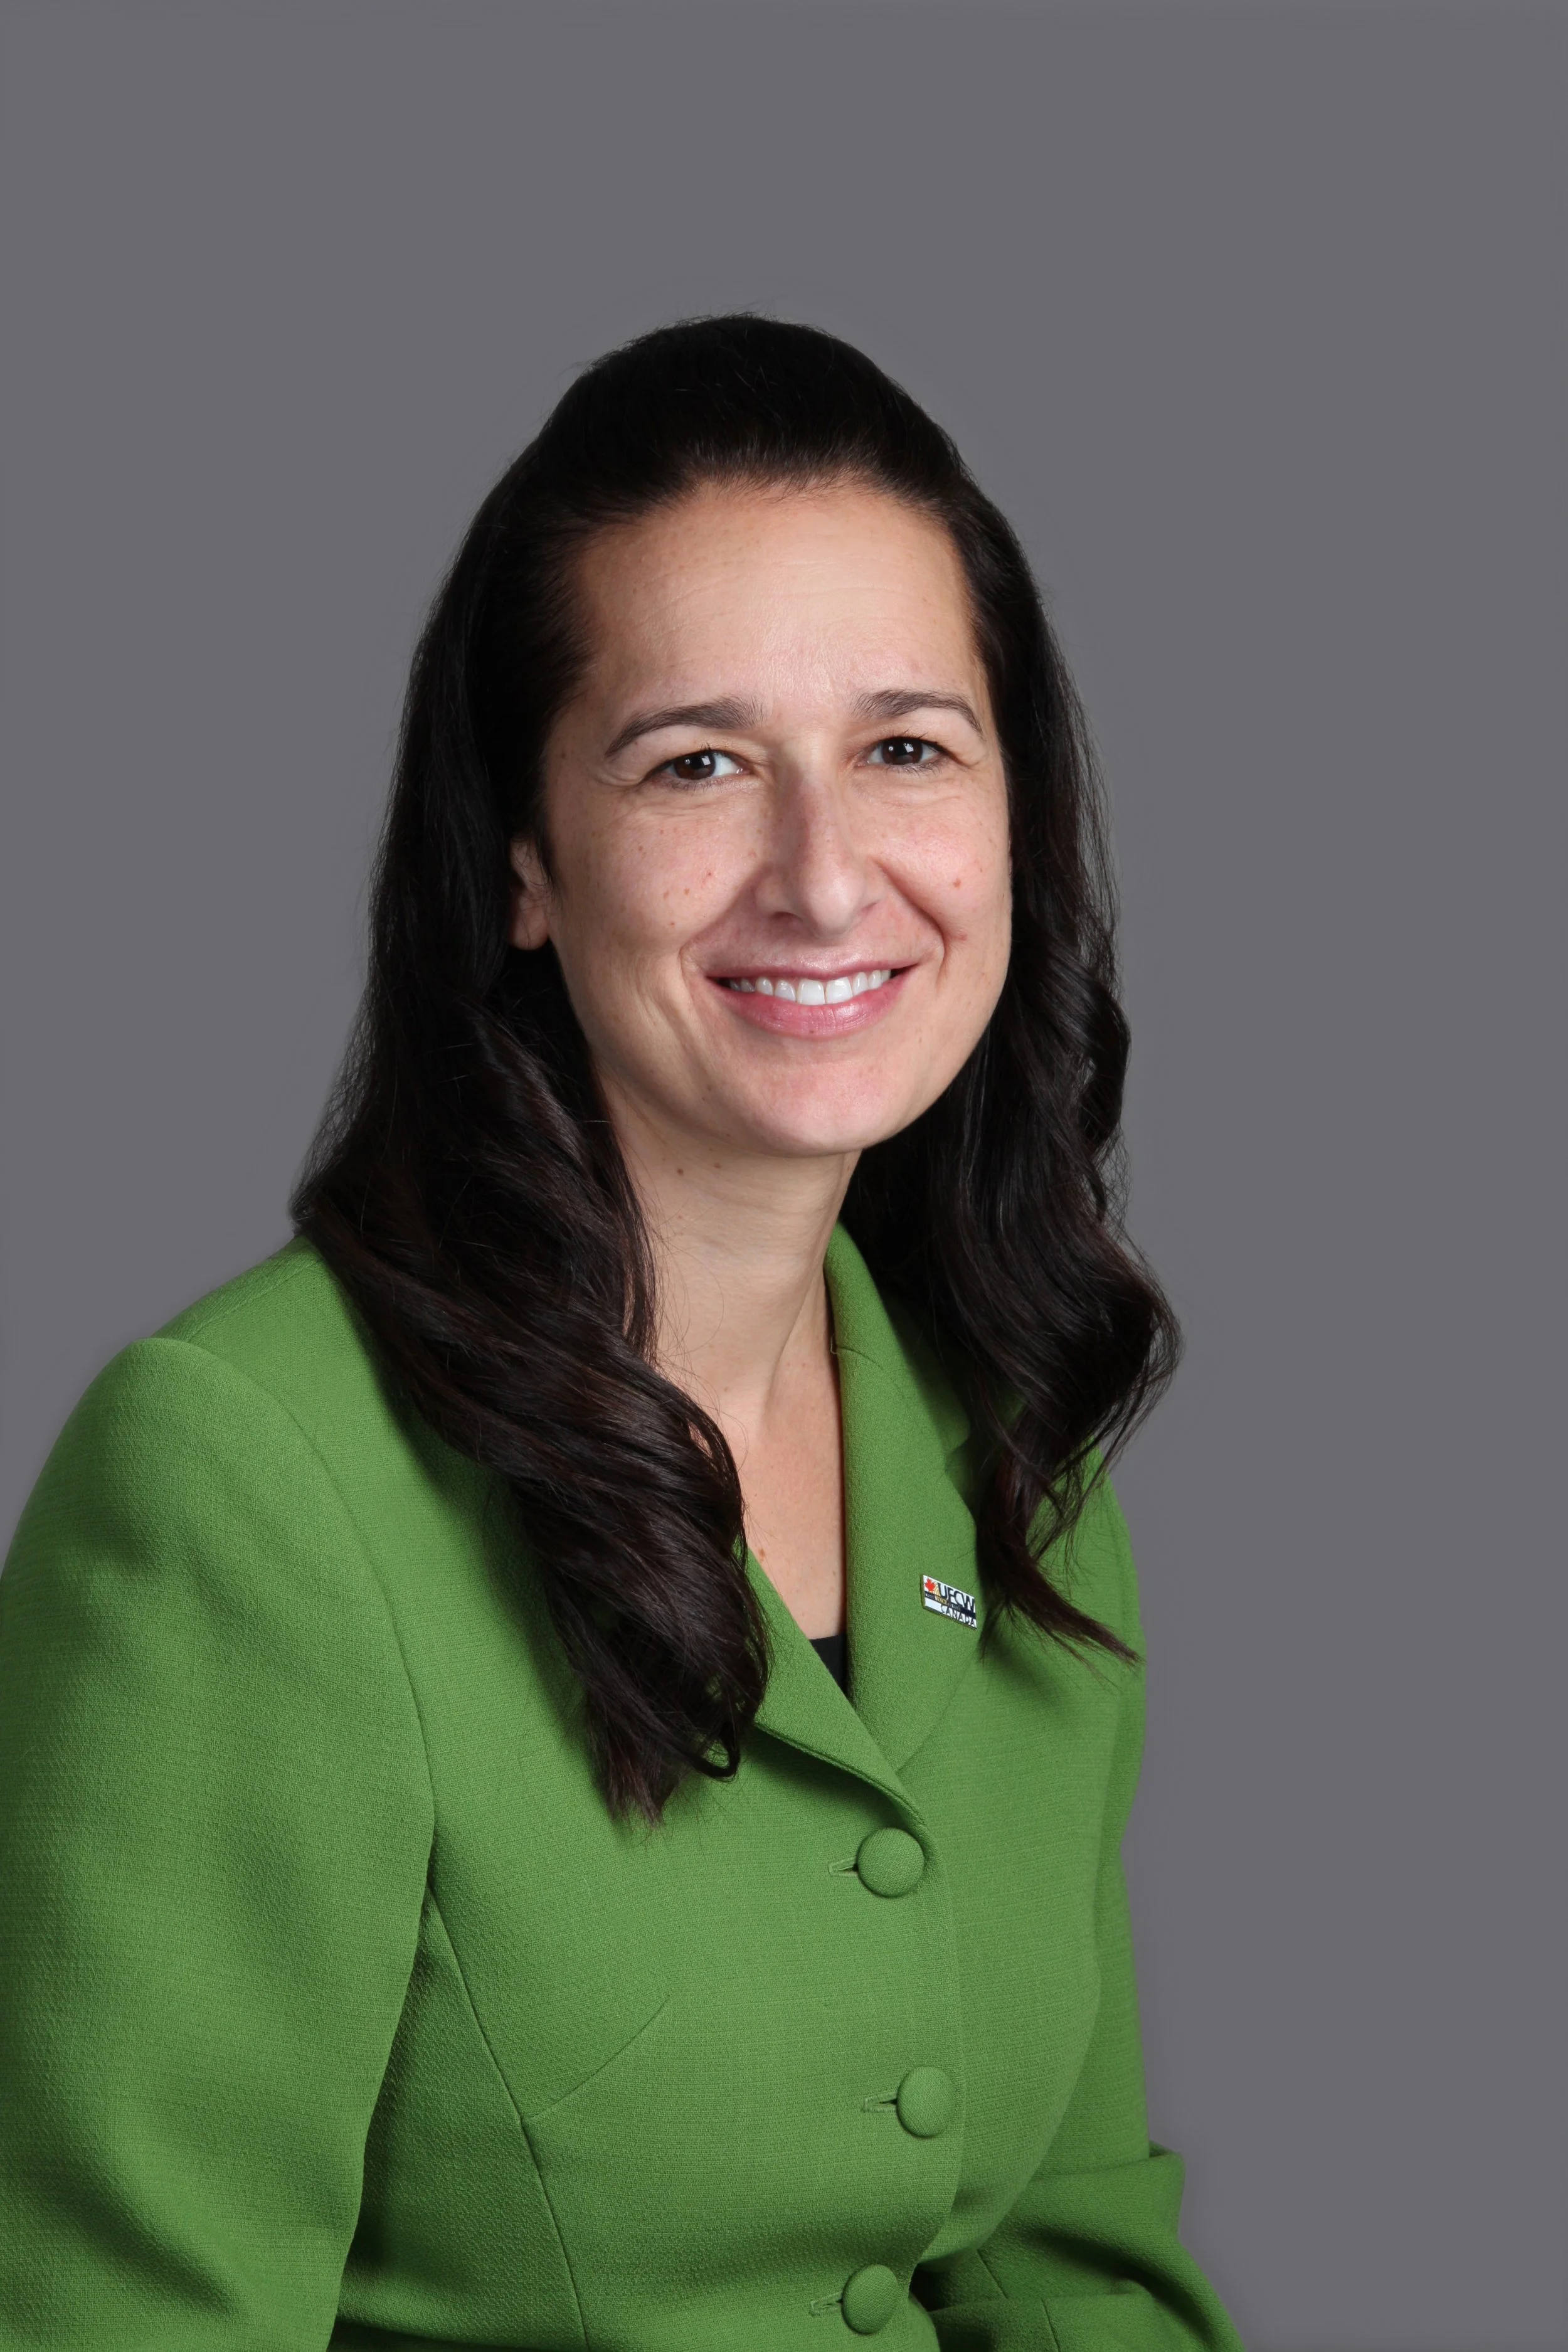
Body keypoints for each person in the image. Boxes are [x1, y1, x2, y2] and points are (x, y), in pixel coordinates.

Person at [0, 315, 1244, 2351]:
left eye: (906, 748)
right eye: (697, 764)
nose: (824, 877)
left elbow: (1064, 2255)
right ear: (523, 862)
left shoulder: (1006, 1451)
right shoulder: (238, 1477)